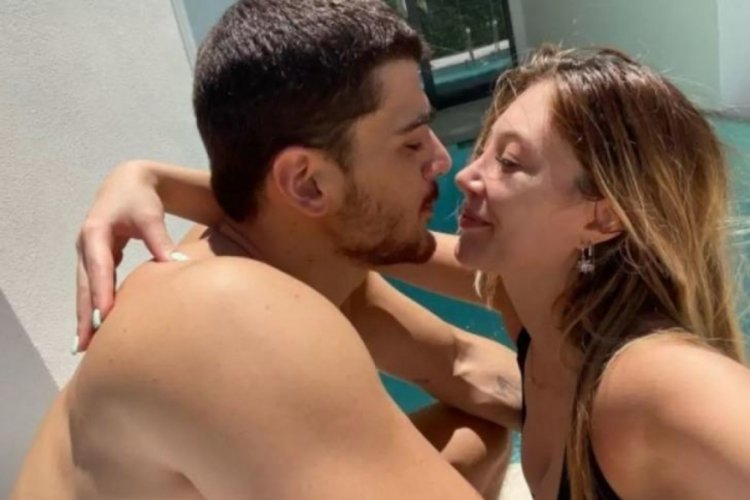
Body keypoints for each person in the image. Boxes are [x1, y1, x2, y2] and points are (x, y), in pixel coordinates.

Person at [74, 46, 750, 499]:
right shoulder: (532, 303)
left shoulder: (656, 380)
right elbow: (349, 224)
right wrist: (148, 179)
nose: (466, 173)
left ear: (602, 219)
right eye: (482, 147)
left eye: (510, 163)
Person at [12, 2, 520, 499]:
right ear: (307, 183)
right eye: (411, 143)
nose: (442, 161)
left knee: (480, 434)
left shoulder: (308, 264)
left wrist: (581, 405)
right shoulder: (228, 313)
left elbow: (466, 368)